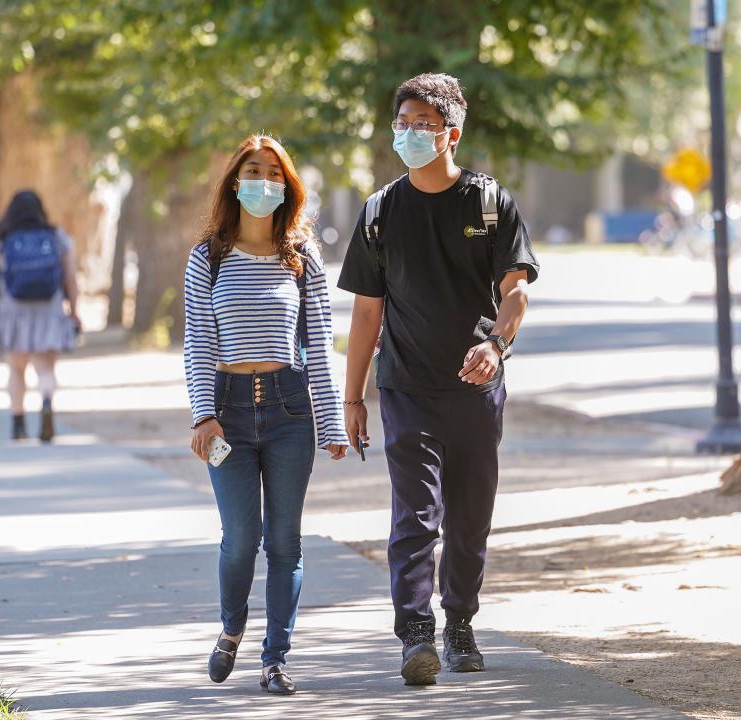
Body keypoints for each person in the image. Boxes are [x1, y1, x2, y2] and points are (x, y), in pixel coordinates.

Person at [338, 73, 538, 686]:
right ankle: (415, 633)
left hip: (477, 388)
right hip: (406, 388)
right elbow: (366, 312)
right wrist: (352, 398)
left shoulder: (489, 203)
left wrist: (496, 347)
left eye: (422, 124)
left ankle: (460, 625)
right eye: (402, 123)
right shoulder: (380, 212)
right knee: (416, 515)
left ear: (452, 133)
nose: (409, 133)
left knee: (470, 515)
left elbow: (517, 288)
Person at [184, 134, 348, 695]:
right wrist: (203, 414)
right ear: (235, 181)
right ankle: (231, 628)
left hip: (289, 410)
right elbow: (199, 341)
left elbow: (320, 342)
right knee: (240, 538)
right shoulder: (208, 256)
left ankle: (275, 658)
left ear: (288, 186)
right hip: (227, 412)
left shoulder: (302, 257)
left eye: (275, 174)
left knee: (285, 542)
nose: (264, 182)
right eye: (254, 171)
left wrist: (329, 423)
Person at [0, 190, 81, 442]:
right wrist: (74, 312)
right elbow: (71, 280)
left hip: (12, 312)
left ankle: (18, 423)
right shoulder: (58, 238)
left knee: (16, 370)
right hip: (48, 309)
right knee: (45, 369)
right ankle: (46, 402)